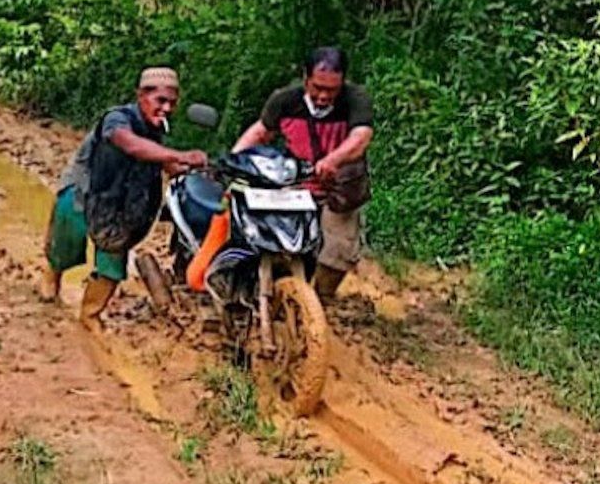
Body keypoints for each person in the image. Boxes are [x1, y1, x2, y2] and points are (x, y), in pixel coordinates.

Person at [42, 67, 208, 332]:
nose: (166, 108)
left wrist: (192, 167)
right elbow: (129, 144)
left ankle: (90, 314)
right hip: (86, 190)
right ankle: (52, 276)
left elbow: (160, 159)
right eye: (160, 101)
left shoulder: (156, 128)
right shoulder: (118, 119)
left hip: (121, 204)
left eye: (172, 103)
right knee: (65, 242)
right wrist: (179, 155)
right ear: (141, 95)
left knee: (112, 262)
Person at [232, 46, 374, 299]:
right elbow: (261, 132)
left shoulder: (355, 99)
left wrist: (334, 160)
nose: (323, 96)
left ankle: (320, 300)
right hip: (294, 186)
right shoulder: (285, 100)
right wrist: (233, 160)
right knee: (265, 238)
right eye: (317, 87)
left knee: (338, 253)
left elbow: (361, 136)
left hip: (339, 190)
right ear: (305, 78)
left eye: (331, 90)